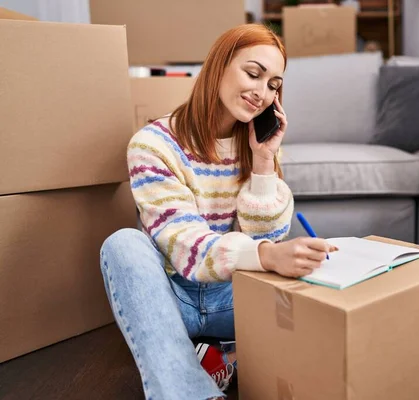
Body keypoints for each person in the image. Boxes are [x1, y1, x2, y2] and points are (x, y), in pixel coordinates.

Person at [100, 24, 336, 400]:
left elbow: (266, 243)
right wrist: (266, 254)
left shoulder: (258, 147)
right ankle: (193, 391)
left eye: (274, 84)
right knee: (122, 244)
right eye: (253, 74)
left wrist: (263, 162)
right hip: (172, 296)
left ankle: (216, 356)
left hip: (234, 298)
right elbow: (185, 245)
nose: (262, 93)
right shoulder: (153, 144)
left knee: (326, 321)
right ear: (218, 67)